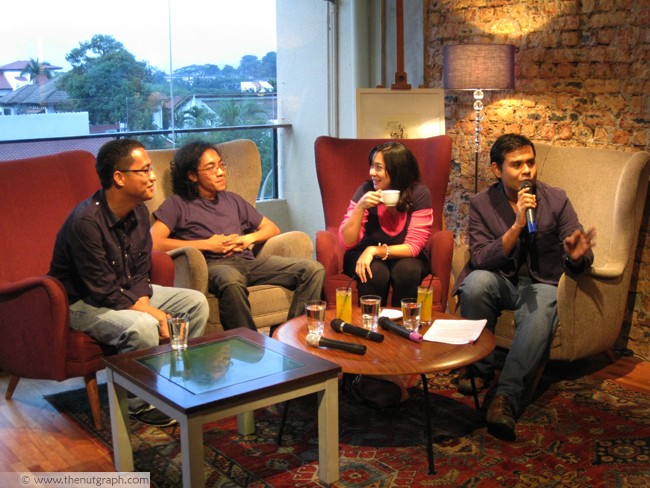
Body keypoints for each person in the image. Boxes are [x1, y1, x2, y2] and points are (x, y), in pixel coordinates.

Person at [49, 138, 209, 427]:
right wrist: (153, 313)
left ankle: (176, 384)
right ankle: (140, 404)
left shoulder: (138, 212)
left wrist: (146, 303)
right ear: (119, 178)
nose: (152, 176)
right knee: (143, 325)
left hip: (124, 292)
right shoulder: (86, 222)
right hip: (81, 303)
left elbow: (139, 273)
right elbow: (103, 290)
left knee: (194, 303)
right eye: (145, 170)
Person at [453, 133, 595, 441]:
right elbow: (480, 257)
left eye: (530, 162)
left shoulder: (556, 199)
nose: (527, 170)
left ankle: (505, 398)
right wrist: (517, 224)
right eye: (516, 165)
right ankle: (479, 371)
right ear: (496, 169)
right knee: (475, 283)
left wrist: (575, 256)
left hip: (542, 283)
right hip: (499, 278)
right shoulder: (481, 203)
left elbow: (579, 248)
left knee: (544, 306)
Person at [150, 140, 325, 331]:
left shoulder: (233, 200)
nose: (220, 172)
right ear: (192, 175)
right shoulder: (177, 204)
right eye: (211, 168)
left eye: (220, 165)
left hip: (249, 262)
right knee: (231, 279)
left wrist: (246, 239)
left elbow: (271, 228)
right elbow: (154, 242)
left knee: (313, 269)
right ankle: (250, 342)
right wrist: (208, 245)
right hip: (214, 266)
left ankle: (290, 335)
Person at [339, 141, 433, 307]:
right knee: (374, 272)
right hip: (363, 253)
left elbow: (414, 246)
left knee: (407, 270)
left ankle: (402, 327)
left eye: (378, 168)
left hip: (404, 254)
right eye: (371, 166)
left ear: (397, 170)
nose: (372, 172)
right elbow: (347, 242)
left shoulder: (418, 193)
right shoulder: (366, 190)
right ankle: (369, 325)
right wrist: (360, 207)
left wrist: (375, 250)